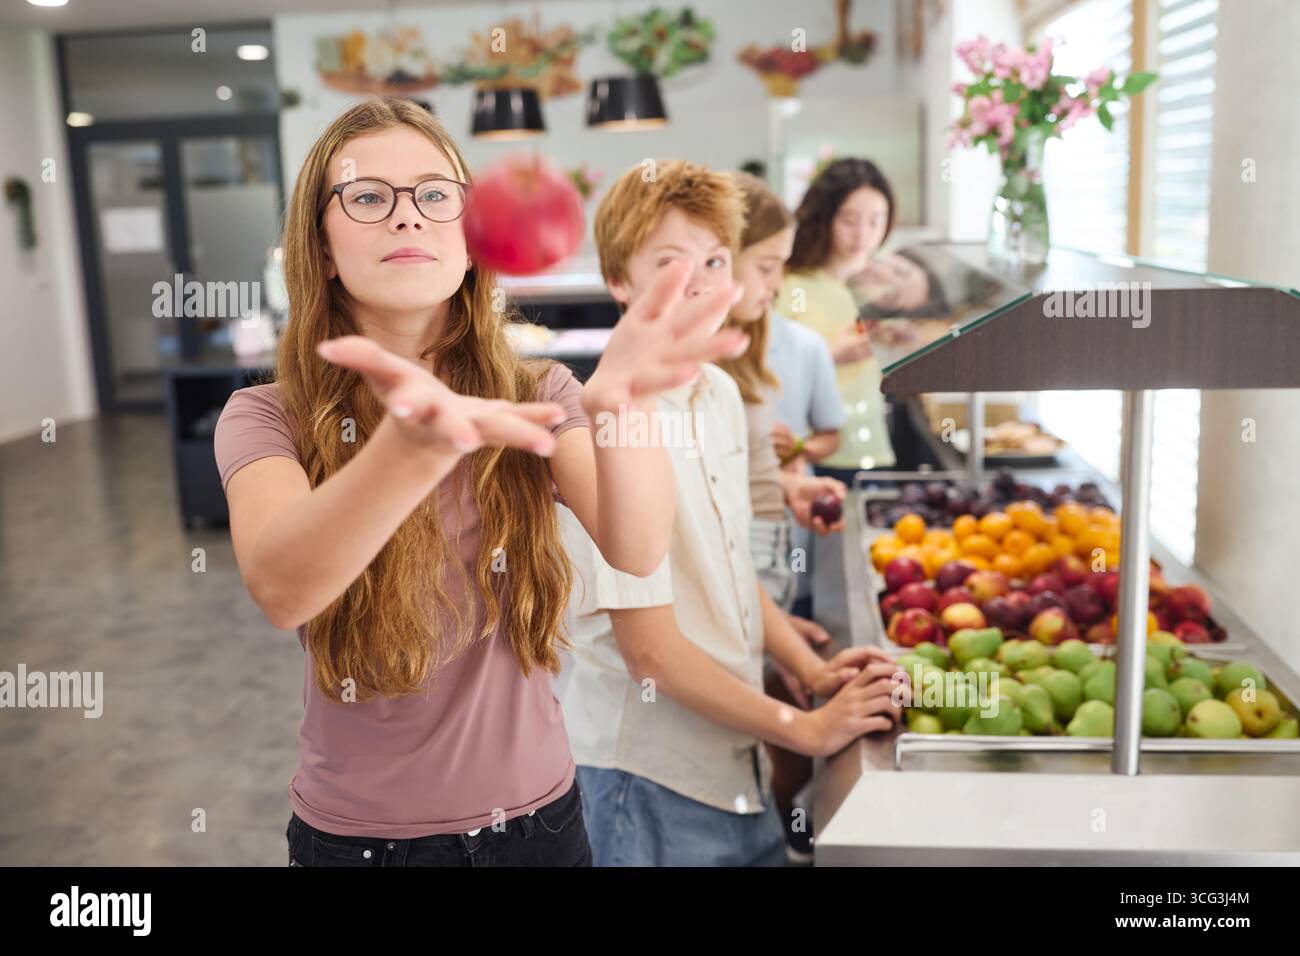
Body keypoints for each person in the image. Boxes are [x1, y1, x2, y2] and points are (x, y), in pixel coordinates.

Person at [212, 96, 747, 867]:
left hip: (541, 828)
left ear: (470, 241)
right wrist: (412, 450)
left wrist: (624, 406)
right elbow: (282, 587)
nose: (408, 217)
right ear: (322, 246)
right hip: (361, 844)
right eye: (367, 197)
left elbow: (634, 547)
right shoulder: (266, 414)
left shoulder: (539, 392)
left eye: (436, 194)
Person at [560, 159, 904, 867]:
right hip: (648, 777)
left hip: (731, 758)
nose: (703, 283)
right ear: (619, 282)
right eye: (670, 262)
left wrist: (809, 670)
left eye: (716, 260)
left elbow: (729, 561)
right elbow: (650, 654)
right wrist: (802, 730)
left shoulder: (717, 393)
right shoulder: (609, 419)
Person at [775, 158, 899, 484]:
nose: (864, 234)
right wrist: (830, 354)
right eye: (850, 220)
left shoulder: (887, 287)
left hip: (874, 448)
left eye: (876, 221)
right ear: (825, 217)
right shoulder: (787, 284)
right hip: (810, 453)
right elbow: (765, 373)